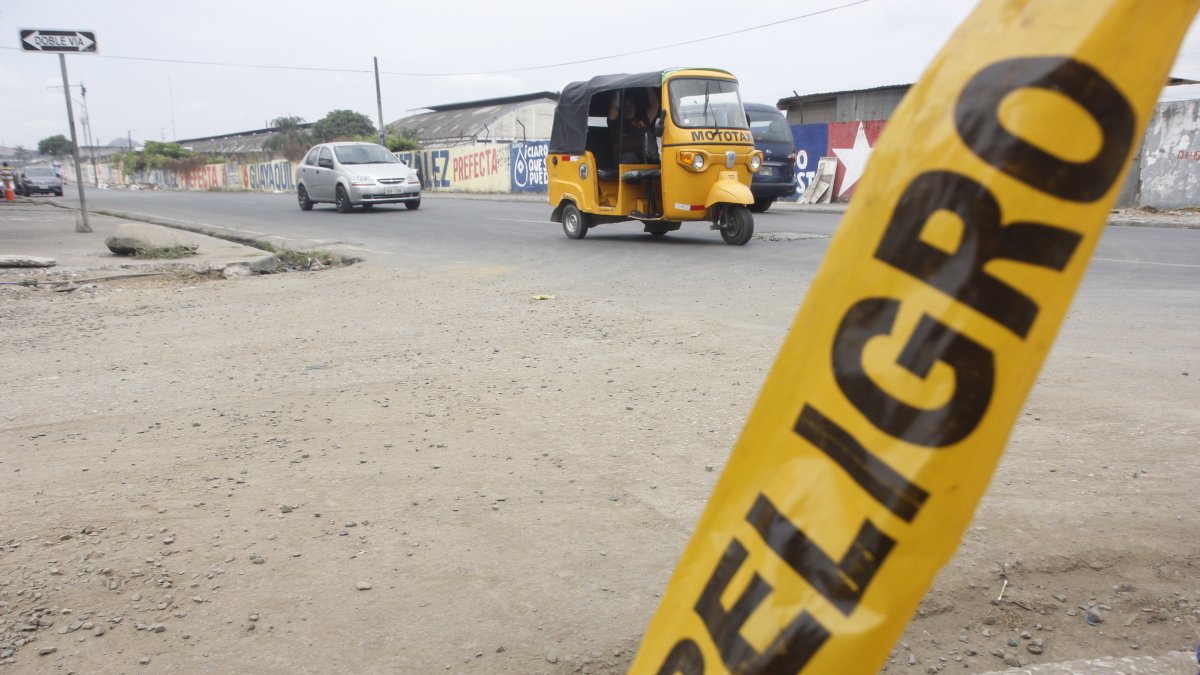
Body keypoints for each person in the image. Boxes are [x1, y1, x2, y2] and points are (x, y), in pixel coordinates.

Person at [608, 88, 660, 164]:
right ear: (620, 108)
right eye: (625, 105)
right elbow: (612, 110)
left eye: (630, 105)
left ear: (635, 107)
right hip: (624, 161)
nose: (628, 108)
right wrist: (617, 91)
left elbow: (655, 105)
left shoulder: (640, 122)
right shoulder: (615, 123)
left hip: (644, 157)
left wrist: (648, 86)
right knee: (629, 158)